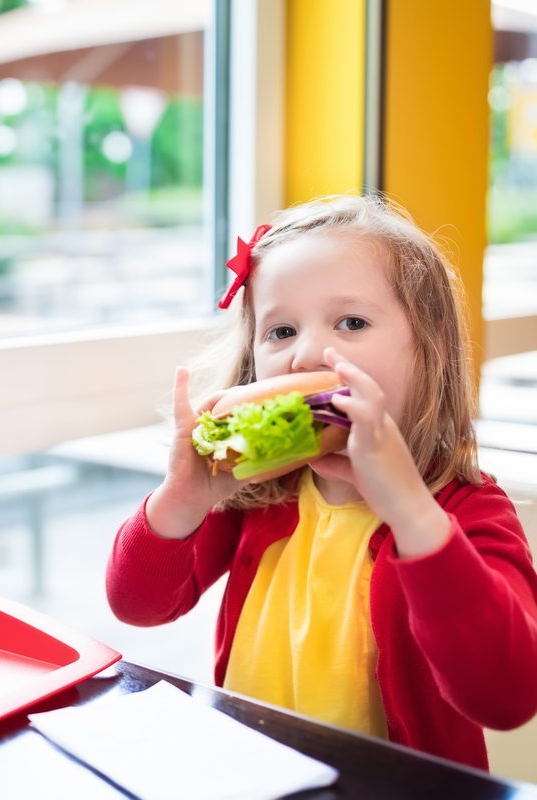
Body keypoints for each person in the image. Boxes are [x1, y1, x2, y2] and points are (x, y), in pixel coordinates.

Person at [105, 194, 537, 770]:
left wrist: (409, 509)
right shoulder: (258, 494)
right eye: (280, 330)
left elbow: (505, 696)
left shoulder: (466, 509)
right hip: (256, 773)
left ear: (427, 355)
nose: (306, 352)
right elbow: (138, 605)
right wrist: (181, 499)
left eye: (351, 322)